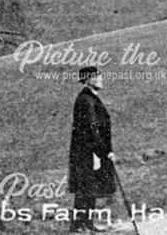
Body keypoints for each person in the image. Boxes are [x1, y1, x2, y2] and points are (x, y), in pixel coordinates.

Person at [68, 66, 116, 233]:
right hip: (87, 151)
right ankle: (80, 227)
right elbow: (92, 129)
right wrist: (104, 152)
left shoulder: (90, 98)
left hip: (89, 151)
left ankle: (85, 225)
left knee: (89, 188)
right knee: (85, 188)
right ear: (87, 80)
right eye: (96, 77)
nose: (100, 79)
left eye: (100, 76)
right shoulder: (86, 101)